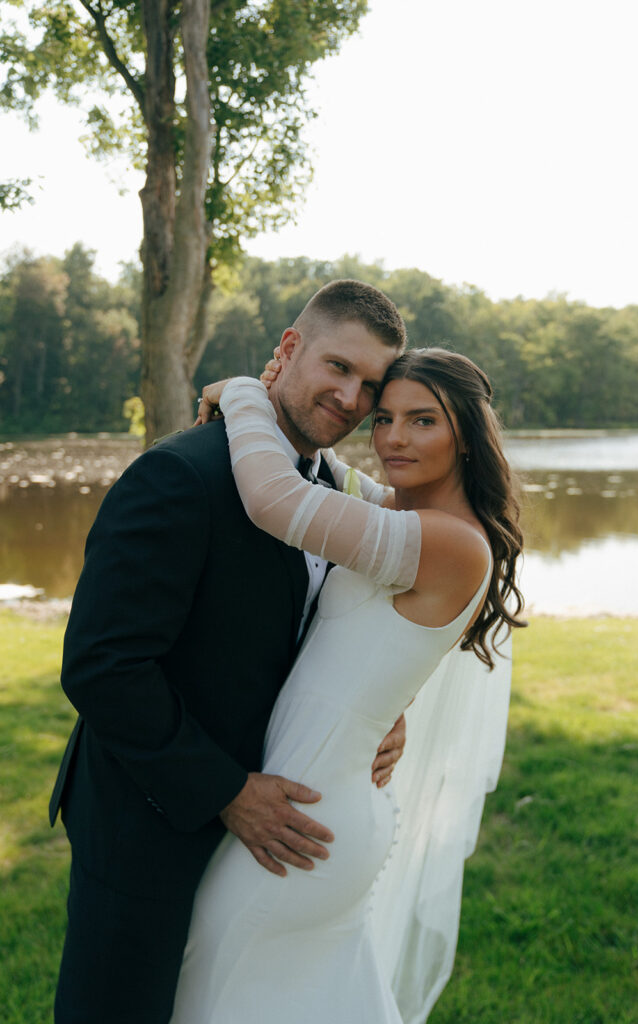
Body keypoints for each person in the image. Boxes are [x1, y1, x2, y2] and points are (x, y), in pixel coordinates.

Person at [49, 280, 410, 1024]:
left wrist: (383, 711)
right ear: (287, 349)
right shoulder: (180, 474)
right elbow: (102, 664)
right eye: (337, 366)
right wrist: (225, 791)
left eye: (369, 384)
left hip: (265, 829)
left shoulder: (324, 489)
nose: (350, 396)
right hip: (146, 823)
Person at [171, 346, 525, 1023]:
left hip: (306, 822)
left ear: (469, 437)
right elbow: (324, 479)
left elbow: (278, 499)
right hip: (316, 802)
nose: (392, 438)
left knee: (207, 997)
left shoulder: (451, 542)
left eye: (422, 421)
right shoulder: (395, 515)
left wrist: (247, 393)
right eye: (384, 418)